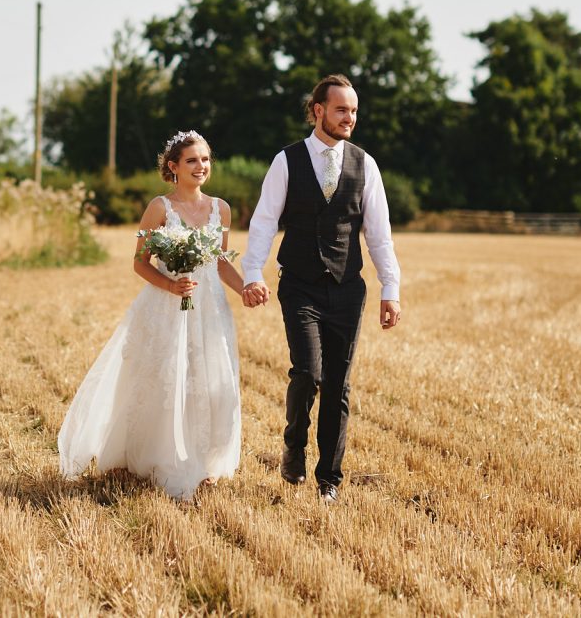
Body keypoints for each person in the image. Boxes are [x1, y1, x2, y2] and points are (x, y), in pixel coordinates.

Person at [240, 74, 402, 504]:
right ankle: (294, 446)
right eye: (341, 110)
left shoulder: (365, 165)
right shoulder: (286, 161)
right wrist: (252, 273)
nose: (349, 118)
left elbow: (379, 234)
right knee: (308, 373)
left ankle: (329, 478)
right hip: (299, 286)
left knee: (338, 386)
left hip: (348, 290)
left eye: (353, 111)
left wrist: (392, 287)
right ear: (318, 111)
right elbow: (263, 222)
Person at [58, 131, 245, 501]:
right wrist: (170, 284)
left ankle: (204, 460)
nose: (201, 166)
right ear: (173, 167)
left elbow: (220, 262)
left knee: (207, 378)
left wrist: (247, 289)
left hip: (209, 307)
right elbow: (139, 262)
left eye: (206, 159)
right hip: (167, 304)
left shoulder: (220, 209)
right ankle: (160, 457)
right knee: (165, 378)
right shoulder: (160, 207)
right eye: (192, 160)